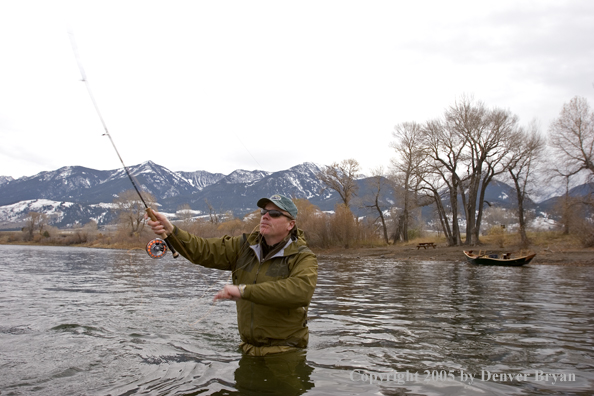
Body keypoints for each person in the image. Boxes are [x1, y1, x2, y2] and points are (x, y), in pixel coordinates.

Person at [146, 194, 318, 357]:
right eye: (264, 212)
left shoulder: (303, 257)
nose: (265, 217)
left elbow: (300, 292)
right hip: (247, 349)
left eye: (274, 214)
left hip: (286, 353)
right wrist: (172, 231)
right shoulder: (243, 246)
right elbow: (203, 249)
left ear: (291, 225)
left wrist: (243, 291)